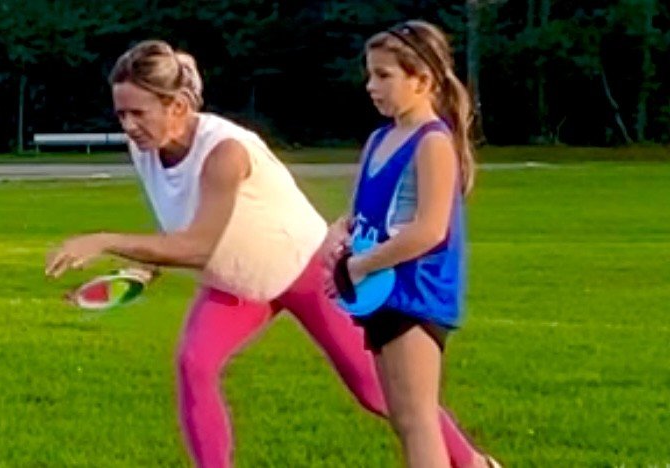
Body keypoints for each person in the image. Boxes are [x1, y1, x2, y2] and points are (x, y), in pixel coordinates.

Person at [46, 39, 491, 468]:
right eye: (121, 113)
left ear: (177, 107)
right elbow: (181, 220)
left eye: (138, 113)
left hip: (307, 271)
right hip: (237, 283)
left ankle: (472, 462)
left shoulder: (225, 152)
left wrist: (102, 239)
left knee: (375, 391)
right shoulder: (145, 147)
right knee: (193, 365)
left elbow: (198, 246)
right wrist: (142, 269)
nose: (128, 125)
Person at [324, 21, 500, 468]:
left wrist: (360, 266)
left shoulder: (432, 142)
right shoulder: (379, 139)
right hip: (379, 290)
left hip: (416, 291)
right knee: (404, 417)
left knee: (419, 418)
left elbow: (430, 230)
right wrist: (338, 233)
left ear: (422, 80)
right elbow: (360, 212)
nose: (371, 86)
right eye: (370, 74)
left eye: (385, 76)